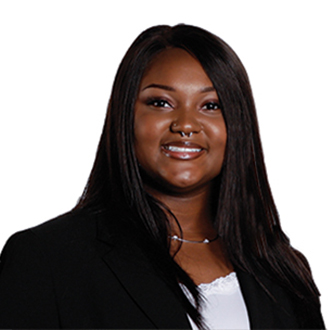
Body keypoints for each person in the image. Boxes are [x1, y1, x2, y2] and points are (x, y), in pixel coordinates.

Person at [0, 24, 325, 329]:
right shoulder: (46, 259)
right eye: (161, 102)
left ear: (238, 126)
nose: (186, 124)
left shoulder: (281, 268)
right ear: (125, 116)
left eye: (211, 105)